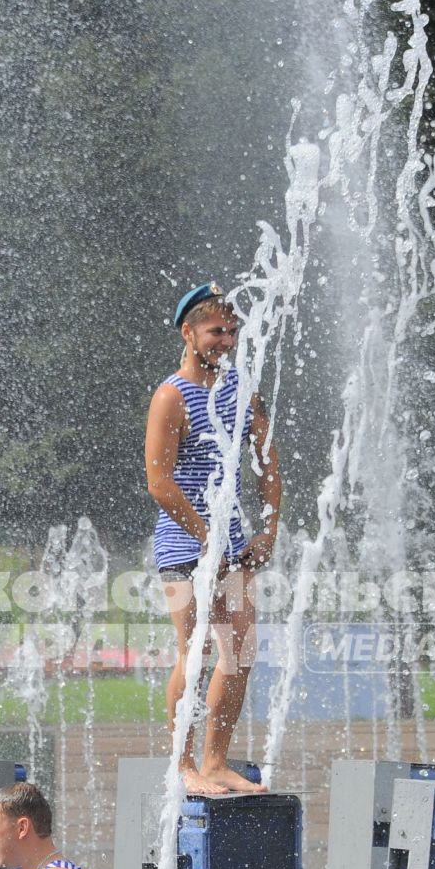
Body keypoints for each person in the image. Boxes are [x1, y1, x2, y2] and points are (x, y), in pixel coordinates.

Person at [145, 282, 282, 795]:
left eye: (232, 331)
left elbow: (269, 464)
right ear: (188, 333)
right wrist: (207, 539)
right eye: (215, 331)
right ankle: (182, 764)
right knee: (196, 651)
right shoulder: (170, 397)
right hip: (184, 547)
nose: (226, 340)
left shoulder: (243, 391)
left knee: (240, 651)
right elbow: (159, 483)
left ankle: (217, 760)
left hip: (234, 544)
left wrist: (268, 528)